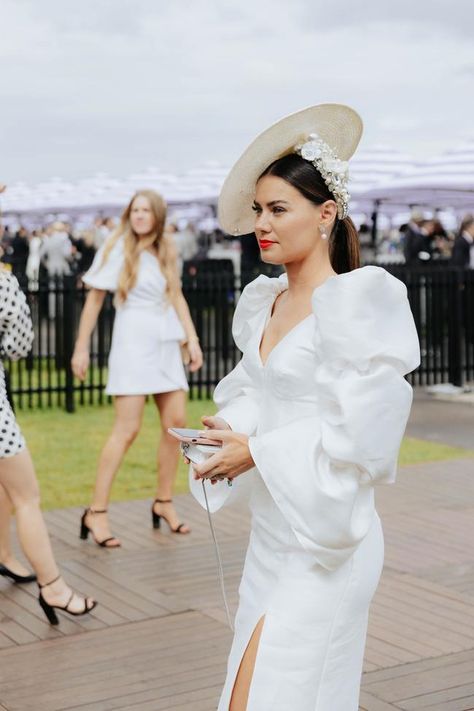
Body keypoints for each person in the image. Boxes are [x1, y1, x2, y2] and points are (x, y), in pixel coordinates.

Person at [187, 105, 420, 710]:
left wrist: (257, 452)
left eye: (277, 209)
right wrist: (227, 432)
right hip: (272, 534)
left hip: (328, 540)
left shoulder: (357, 305)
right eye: (259, 210)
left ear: (325, 214)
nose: (261, 224)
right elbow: (252, 389)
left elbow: (366, 440)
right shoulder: (264, 301)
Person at [71, 190, 203, 547]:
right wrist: (81, 348)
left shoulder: (166, 250)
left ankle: (163, 502)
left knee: (175, 425)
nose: (140, 216)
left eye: (146, 210)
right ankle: (95, 512)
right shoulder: (116, 249)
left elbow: (176, 295)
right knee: (126, 430)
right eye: (135, 210)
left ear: (158, 216)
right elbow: (94, 301)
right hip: (132, 345)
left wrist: (191, 339)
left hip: (165, 345)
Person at [0, 265, 97, 625]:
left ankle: (5, 554)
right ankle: (53, 587)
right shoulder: (3, 282)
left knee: (8, 485)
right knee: (27, 496)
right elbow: (19, 346)